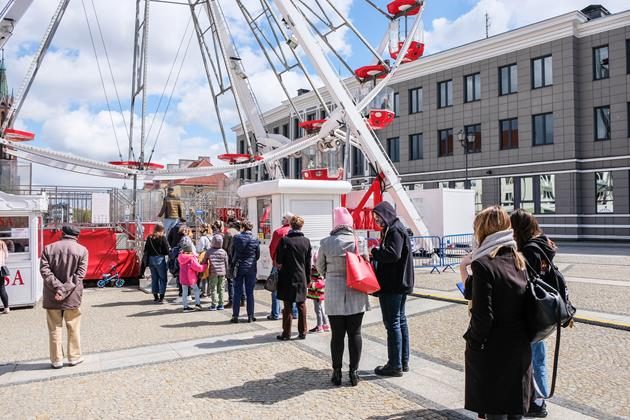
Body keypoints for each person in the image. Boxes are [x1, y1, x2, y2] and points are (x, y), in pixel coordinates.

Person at [460, 206, 532, 420]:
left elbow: (483, 315)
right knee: (514, 411)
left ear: (482, 231)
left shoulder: (483, 265)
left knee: (495, 412)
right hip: (519, 347)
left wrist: (473, 342)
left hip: (494, 351)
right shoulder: (518, 260)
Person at [511, 209, 556, 418]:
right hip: (544, 310)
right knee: (539, 356)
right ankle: (540, 397)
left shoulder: (529, 250)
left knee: (531, 357)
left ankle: (536, 402)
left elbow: (524, 282)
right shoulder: (544, 245)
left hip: (532, 311)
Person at [317, 207, 369, 387]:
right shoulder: (359, 240)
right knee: (355, 333)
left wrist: (330, 274)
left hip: (334, 292)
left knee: (337, 335)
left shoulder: (325, 242)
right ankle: (354, 372)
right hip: (356, 290)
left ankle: (337, 371)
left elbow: (320, 267)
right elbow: (366, 263)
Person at [371, 201, 414, 377]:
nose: (376, 221)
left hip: (393, 284)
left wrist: (375, 252)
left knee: (393, 323)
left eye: (378, 217)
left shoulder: (395, 230)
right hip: (399, 283)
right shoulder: (396, 228)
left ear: (385, 215)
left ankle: (394, 364)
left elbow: (392, 254)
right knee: (400, 321)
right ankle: (402, 361)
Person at [39, 225, 89, 369]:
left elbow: (44, 271)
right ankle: (74, 357)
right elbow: (79, 275)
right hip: (72, 295)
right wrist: (65, 289)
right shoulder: (82, 250)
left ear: (62, 233)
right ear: (76, 236)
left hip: (52, 294)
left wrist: (58, 288)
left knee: (54, 328)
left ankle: (56, 359)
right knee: (73, 326)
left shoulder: (48, 249)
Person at [276, 216, 311, 340]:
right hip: (301, 276)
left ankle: (286, 333)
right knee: (301, 305)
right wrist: (308, 279)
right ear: (301, 226)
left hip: (287, 276)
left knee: (288, 305)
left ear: (291, 225)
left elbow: (279, 259)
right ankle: (303, 332)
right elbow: (308, 263)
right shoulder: (306, 241)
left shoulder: (285, 240)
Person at [267, 212, 298, 321]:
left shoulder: (278, 232)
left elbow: (272, 248)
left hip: (278, 264)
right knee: (292, 288)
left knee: (275, 288)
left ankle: (275, 313)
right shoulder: (295, 232)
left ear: (287, 220)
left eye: (284, 218)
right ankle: (294, 312)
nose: (282, 219)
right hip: (292, 265)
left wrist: (274, 260)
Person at [230, 220, 260, 323]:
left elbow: (232, 252)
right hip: (251, 267)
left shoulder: (236, 238)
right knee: (250, 292)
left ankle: (235, 316)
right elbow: (257, 255)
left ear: (242, 227)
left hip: (238, 266)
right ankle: (250, 316)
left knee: (237, 291)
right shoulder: (255, 239)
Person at [177, 244, 207, 312]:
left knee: (184, 292)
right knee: (196, 290)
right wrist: (205, 266)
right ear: (190, 251)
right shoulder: (191, 259)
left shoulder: (180, 257)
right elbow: (198, 268)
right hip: (191, 278)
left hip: (183, 277)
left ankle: (185, 307)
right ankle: (197, 304)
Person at [144, 224, 170, 303]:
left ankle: (155, 297)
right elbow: (166, 250)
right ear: (161, 230)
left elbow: (146, 249)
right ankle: (161, 298)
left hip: (151, 259)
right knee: (163, 279)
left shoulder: (149, 237)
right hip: (160, 259)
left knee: (154, 278)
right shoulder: (162, 238)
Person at [204, 234, 229, 310]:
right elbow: (226, 263)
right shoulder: (223, 252)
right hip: (222, 273)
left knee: (213, 288)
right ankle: (221, 304)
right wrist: (226, 271)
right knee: (221, 288)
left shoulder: (209, 251)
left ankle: (214, 304)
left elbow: (204, 261)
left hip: (213, 272)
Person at [307, 248, 329, 333]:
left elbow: (321, 282)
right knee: (321, 309)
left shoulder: (318, 270)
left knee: (318, 310)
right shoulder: (321, 269)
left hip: (317, 293)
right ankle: (325, 325)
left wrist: (312, 285)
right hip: (319, 293)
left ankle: (319, 326)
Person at [223, 219, 244, 309]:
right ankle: (243, 299)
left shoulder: (228, 233)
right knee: (241, 279)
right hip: (240, 258)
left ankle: (231, 300)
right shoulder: (241, 233)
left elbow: (225, 247)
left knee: (230, 280)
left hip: (230, 258)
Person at [0, 240, 9, 314]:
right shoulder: (3, 243)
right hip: (1, 269)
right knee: (2, 289)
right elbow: (6, 256)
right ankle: (6, 308)